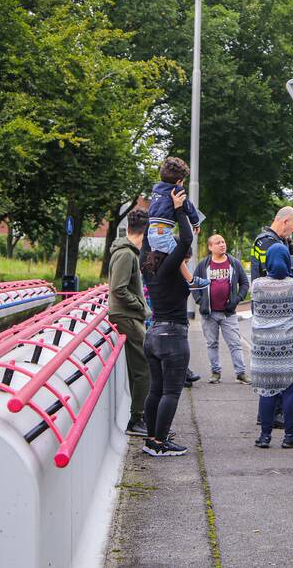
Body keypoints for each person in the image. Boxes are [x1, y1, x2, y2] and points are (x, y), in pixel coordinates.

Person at [139, 188, 194, 457]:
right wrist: (180, 209)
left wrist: (161, 213)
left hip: (152, 336)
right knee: (171, 392)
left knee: (155, 390)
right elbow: (185, 239)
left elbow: (148, 243)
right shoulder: (172, 267)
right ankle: (160, 443)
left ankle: (151, 438)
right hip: (174, 337)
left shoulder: (148, 267)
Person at [250, 243, 293, 449]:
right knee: (291, 392)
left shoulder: (257, 285)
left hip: (263, 350)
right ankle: (290, 436)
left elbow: (254, 310)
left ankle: (264, 437)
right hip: (291, 349)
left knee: (266, 391)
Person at [107, 208, 151, 438]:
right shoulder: (126, 254)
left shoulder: (127, 251)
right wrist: (142, 307)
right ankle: (137, 418)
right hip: (126, 316)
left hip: (127, 315)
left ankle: (139, 416)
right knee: (144, 367)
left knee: (141, 366)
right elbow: (118, 289)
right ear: (145, 232)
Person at [193, 234, 249, 384]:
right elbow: (193, 285)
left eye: (223, 241)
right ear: (210, 247)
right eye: (218, 243)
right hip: (209, 314)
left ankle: (241, 373)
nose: (222, 244)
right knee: (212, 344)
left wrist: (237, 299)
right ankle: (215, 373)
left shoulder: (234, 263)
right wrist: (200, 300)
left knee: (235, 343)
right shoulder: (203, 265)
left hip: (228, 314)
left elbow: (244, 283)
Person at [148, 156, 203, 255]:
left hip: (151, 231)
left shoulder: (156, 188)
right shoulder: (177, 190)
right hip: (162, 231)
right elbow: (188, 207)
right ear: (178, 182)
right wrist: (196, 222)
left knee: (158, 260)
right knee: (177, 258)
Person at [250, 206, 293, 281]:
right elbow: (277, 276)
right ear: (285, 222)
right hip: (270, 291)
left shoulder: (277, 241)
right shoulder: (267, 242)